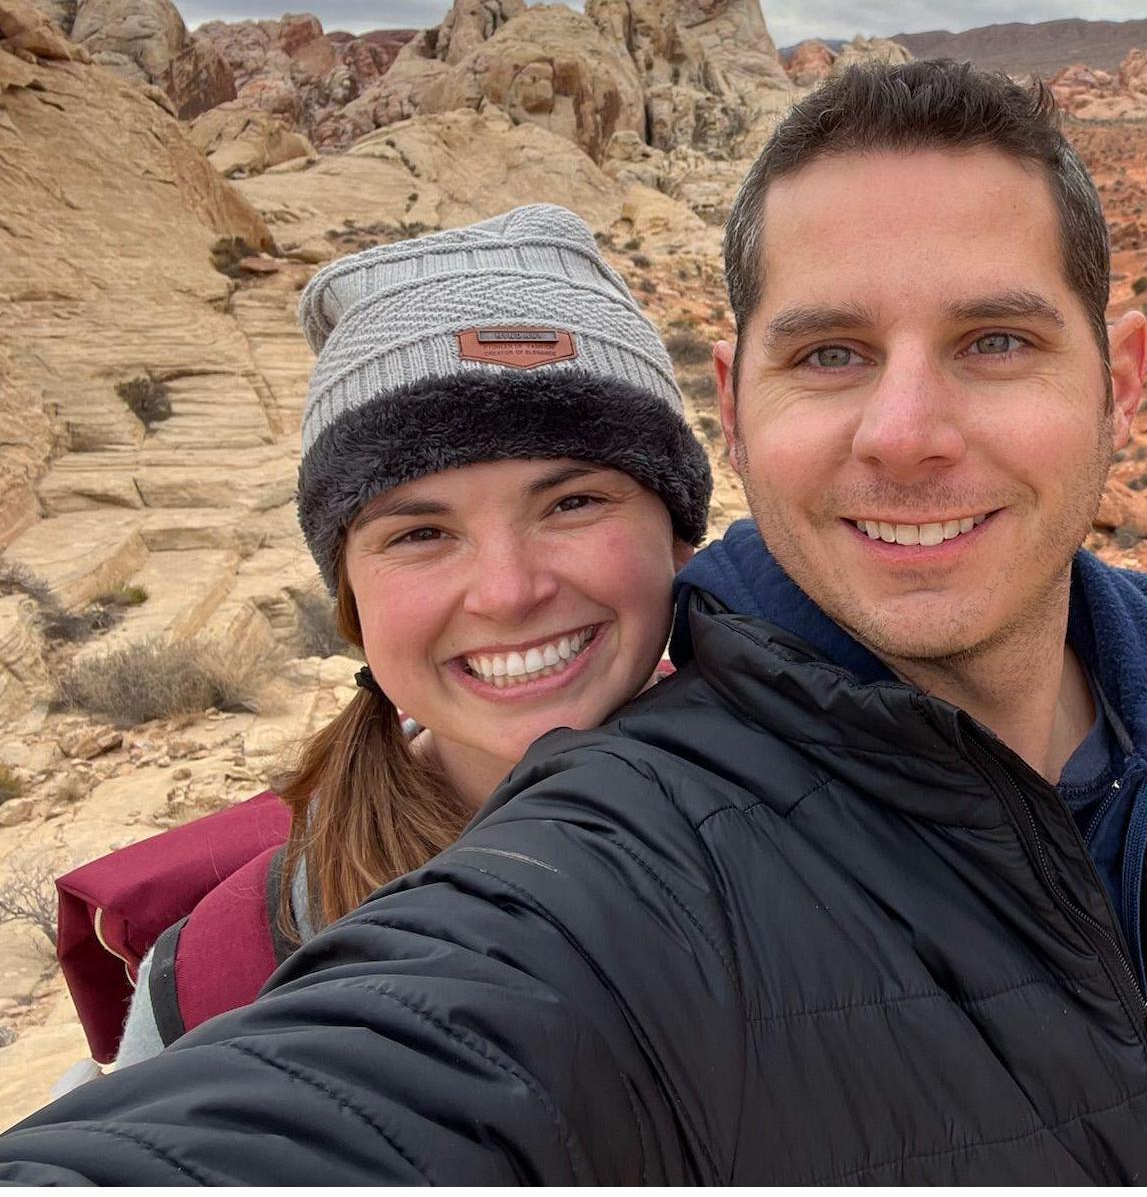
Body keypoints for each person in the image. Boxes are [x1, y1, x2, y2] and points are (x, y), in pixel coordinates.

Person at [0, 62, 1147, 1184]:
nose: (905, 435)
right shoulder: (626, 862)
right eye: (831, 353)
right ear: (739, 404)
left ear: (1124, 378)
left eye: (995, 341)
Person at [53, 201, 712, 1073]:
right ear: (353, 599)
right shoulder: (237, 974)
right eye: (419, 533)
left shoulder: (860, 813)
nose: (509, 593)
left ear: (678, 533)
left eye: (573, 503)